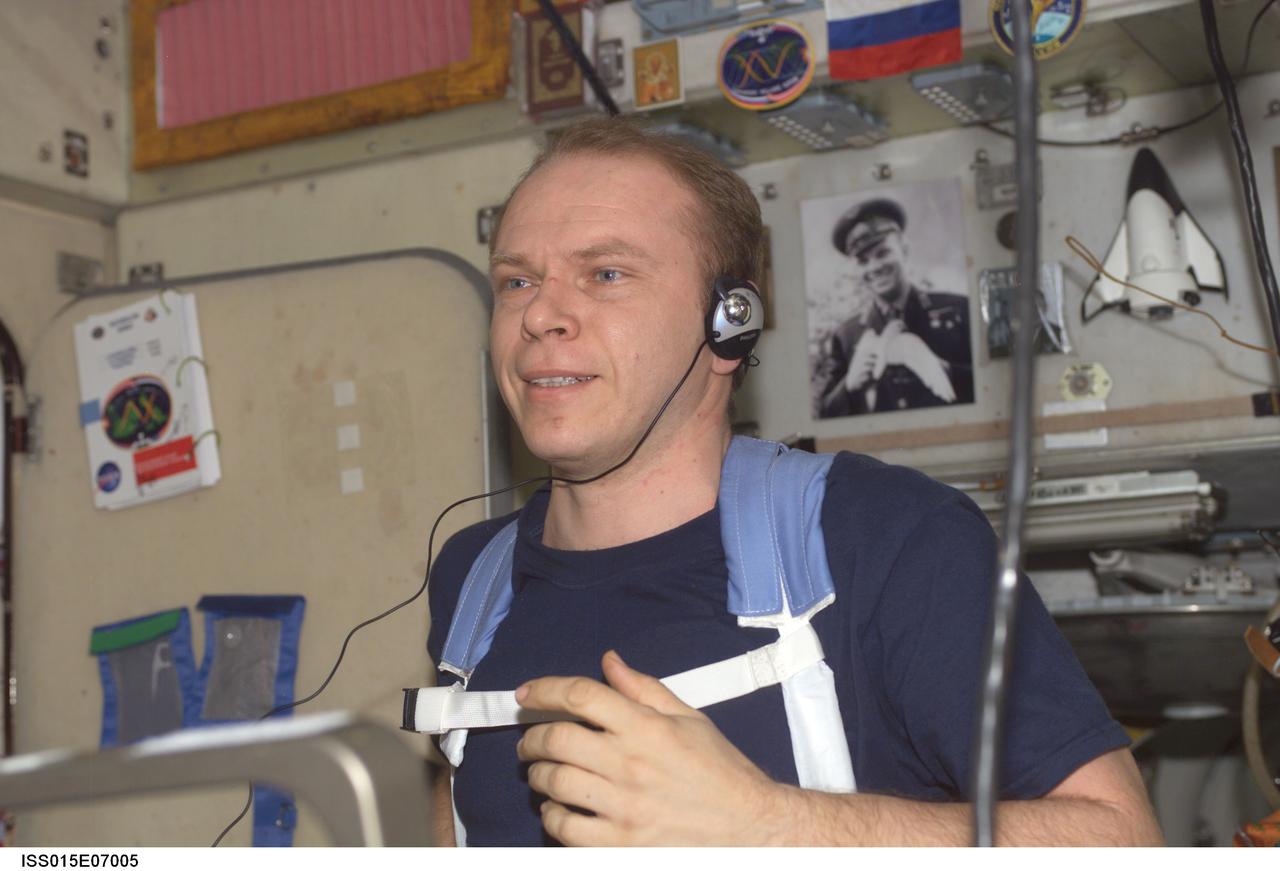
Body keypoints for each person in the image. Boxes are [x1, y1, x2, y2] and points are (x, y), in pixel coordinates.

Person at [426, 118, 1162, 847]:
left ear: (730, 324)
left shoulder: (887, 541)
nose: (541, 315)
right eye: (518, 280)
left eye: (606, 273)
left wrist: (772, 825)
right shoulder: (474, 579)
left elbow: (1120, 839)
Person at [814, 199, 974, 418]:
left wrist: (944, 370)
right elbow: (823, 416)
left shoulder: (958, 309)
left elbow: (993, 385)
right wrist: (849, 385)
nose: (875, 267)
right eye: (863, 261)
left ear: (904, 250)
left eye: (882, 253)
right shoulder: (846, 336)